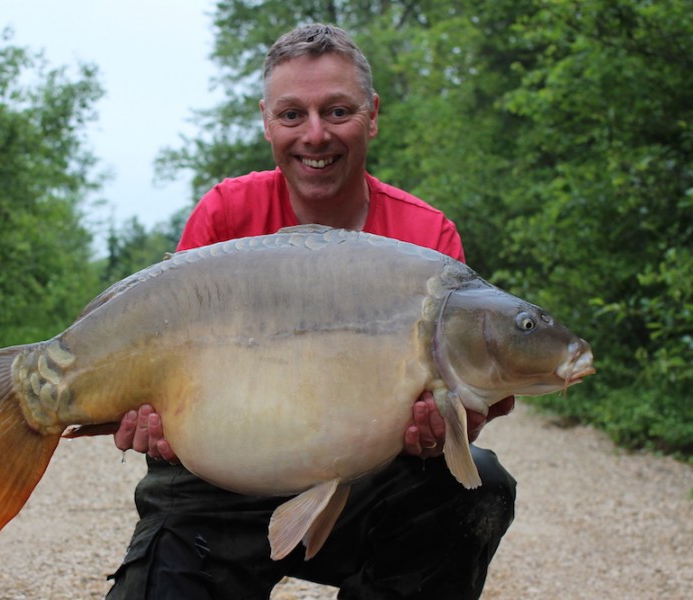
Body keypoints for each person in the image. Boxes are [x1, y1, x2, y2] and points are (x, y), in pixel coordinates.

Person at [105, 24, 517, 599]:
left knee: (478, 486)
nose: (315, 136)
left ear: (373, 114)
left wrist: (444, 430)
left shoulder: (426, 238)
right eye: (292, 115)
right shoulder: (225, 215)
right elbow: (159, 367)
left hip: (366, 484)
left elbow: (459, 407)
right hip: (217, 486)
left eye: (338, 111)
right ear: (267, 120)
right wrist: (147, 417)